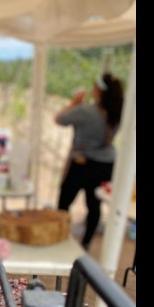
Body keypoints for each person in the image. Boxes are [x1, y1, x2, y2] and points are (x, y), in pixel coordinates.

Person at [55, 72, 124, 249]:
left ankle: (60, 238)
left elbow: (59, 119)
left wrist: (74, 103)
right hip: (106, 163)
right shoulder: (118, 112)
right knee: (94, 205)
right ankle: (86, 243)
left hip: (82, 163)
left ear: (98, 90)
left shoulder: (86, 111)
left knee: (64, 202)